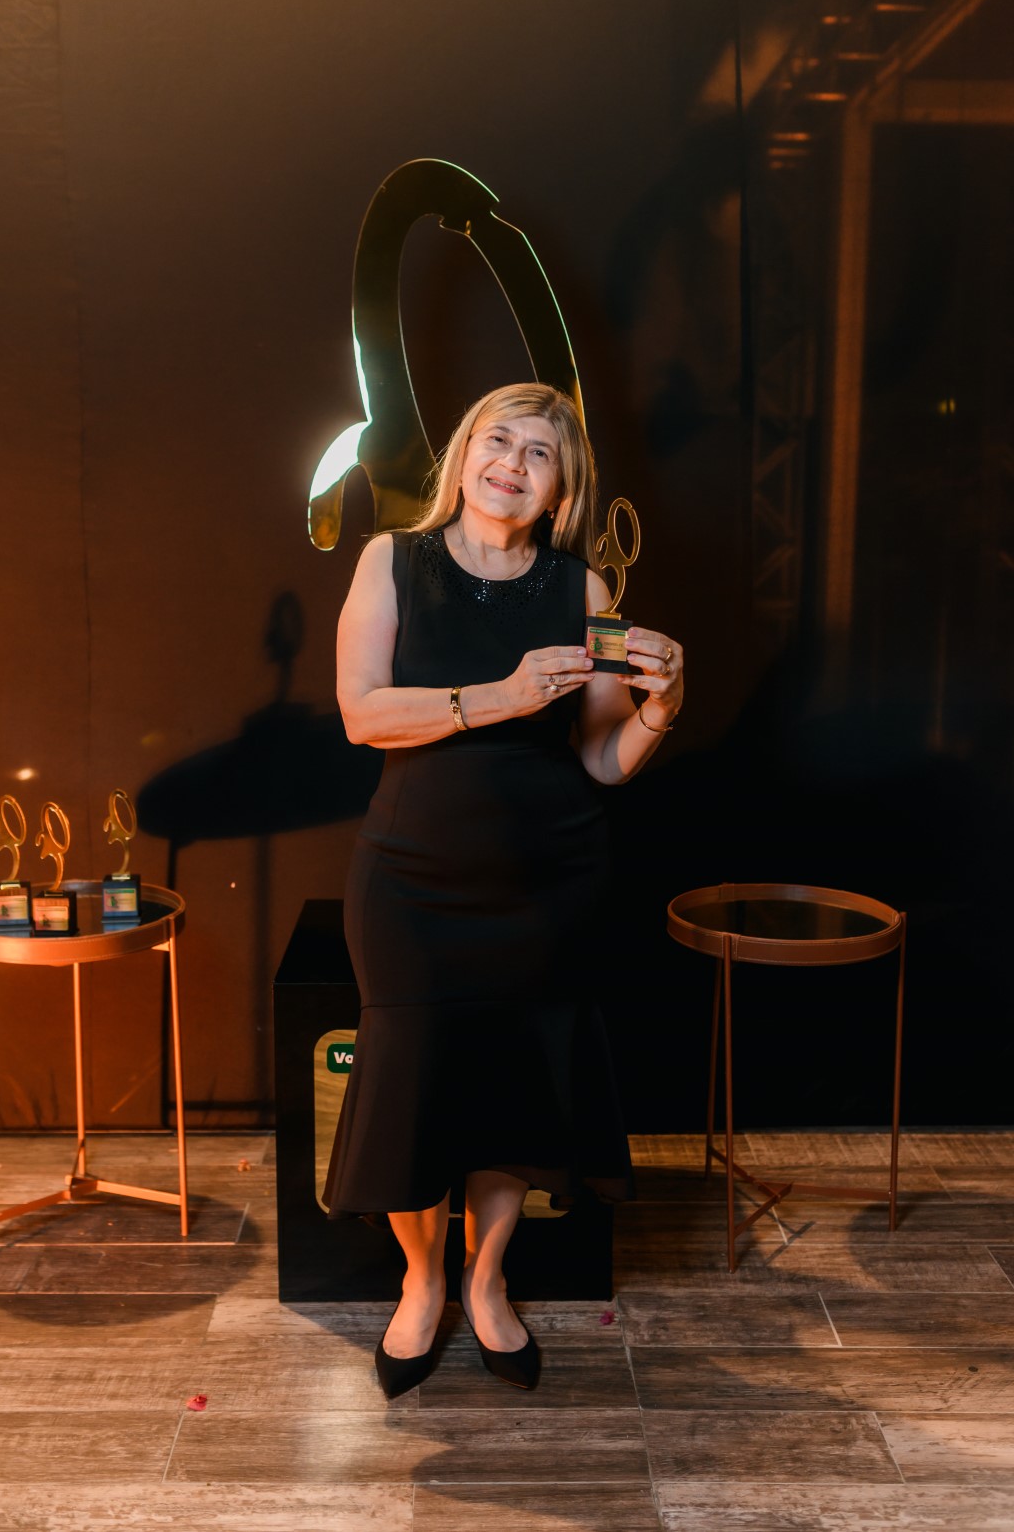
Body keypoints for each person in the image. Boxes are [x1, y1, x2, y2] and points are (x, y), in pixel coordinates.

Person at [324, 382, 684, 1396]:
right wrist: (503, 696)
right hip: (413, 882)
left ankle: (487, 1279)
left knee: (515, 1092)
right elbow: (362, 714)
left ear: (561, 487)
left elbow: (605, 759)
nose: (513, 464)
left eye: (540, 453)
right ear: (464, 455)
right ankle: (422, 1279)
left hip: (548, 884)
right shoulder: (392, 560)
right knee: (412, 1092)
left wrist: (666, 705)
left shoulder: (585, 589)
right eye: (499, 440)